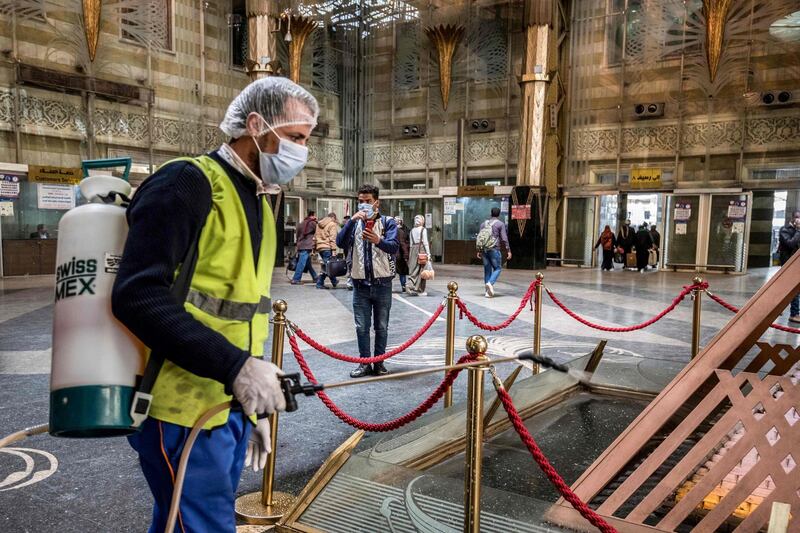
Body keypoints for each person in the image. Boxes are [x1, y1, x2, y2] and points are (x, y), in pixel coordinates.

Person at [112, 76, 318, 533]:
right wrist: (238, 368)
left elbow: (244, 313)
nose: (303, 153)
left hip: (227, 405)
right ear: (257, 126)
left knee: (180, 523)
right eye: (297, 138)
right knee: (203, 525)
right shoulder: (187, 182)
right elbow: (136, 295)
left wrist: (253, 407)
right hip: (179, 409)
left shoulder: (263, 203)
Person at [336, 184, 399, 378]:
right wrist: (350, 222)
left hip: (382, 284)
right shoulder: (354, 223)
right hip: (360, 284)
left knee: (381, 326)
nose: (363, 205)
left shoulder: (388, 222)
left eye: (368, 202)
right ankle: (364, 363)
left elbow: (394, 247)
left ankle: (379, 363)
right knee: (361, 327)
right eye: (360, 201)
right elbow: (339, 242)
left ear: (376, 203)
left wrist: (377, 240)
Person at [476, 207, 511, 298]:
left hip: (484, 250)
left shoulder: (483, 224)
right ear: (499, 214)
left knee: (487, 270)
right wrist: (508, 250)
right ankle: (490, 283)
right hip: (494, 249)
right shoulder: (500, 224)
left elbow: (480, 238)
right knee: (498, 268)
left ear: (491, 213)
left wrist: (479, 250)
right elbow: (504, 238)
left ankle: (487, 292)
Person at [778, 210, 800, 323]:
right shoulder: (784, 230)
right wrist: (798, 230)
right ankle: (794, 313)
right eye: (797, 217)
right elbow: (791, 243)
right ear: (792, 218)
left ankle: (778, 307)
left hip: (796, 264)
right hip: (787, 264)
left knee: (788, 288)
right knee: (794, 289)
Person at [407, 215, 431, 296]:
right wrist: (428, 253)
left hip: (413, 250)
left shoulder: (412, 231)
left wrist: (410, 256)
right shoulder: (423, 230)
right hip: (421, 250)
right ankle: (420, 289)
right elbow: (425, 243)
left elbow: (410, 244)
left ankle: (410, 284)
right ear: (423, 221)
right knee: (422, 270)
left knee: (413, 269)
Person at [292, 210, 318, 285]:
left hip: (301, 245)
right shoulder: (312, 223)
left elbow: (297, 235)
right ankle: (296, 279)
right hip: (307, 245)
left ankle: (315, 277)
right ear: (312, 215)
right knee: (302, 263)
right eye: (315, 216)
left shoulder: (301, 223)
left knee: (308, 263)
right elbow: (318, 231)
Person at [315, 212, 339, 289]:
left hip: (320, 247)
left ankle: (334, 281)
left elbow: (315, 236)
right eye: (335, 219)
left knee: (326, 265)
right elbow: (332, 238)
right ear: (333, 218)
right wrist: (334, 250)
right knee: (328, 266)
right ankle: (320, 283)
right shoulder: (332, 224)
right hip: (327, 247)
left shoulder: (319, 224)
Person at [394, 216, 410, 293]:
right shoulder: (401, 231)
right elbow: (403, 243)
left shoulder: (392, 229)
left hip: (394, 254)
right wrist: (406, 255)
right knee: (402, 272)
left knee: (391, 272)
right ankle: (403, 286)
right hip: (399, 255)